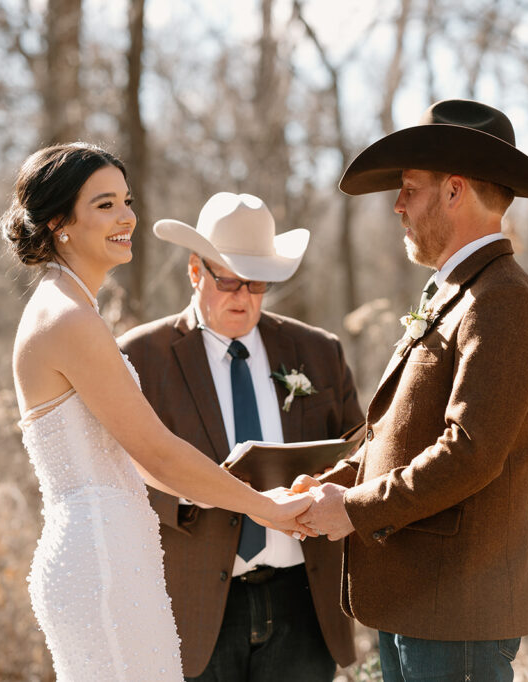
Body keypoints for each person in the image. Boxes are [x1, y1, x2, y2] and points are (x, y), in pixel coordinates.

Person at [0, 143, 312, 682]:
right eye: (104, 205)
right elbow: (158, 453)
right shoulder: (69, 318)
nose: (126, 217)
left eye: (126, 200)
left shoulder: (71, 307)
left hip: (114, 550)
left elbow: (137, 458)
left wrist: (234, 491)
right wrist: (263, 507)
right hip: (101, 558)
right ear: (58, 223)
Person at [291, 100, 528, 681]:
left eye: (409, 188)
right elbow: (400, 430)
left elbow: (469, 453)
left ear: (454, 191)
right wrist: (333, 484)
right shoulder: (455, 291)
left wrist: (351, 509)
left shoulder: (503, 300)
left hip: (459, 612)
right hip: (417, 599)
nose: (398, 205)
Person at [118, 192, 362, 681]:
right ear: (195, 270)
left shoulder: (317, 350)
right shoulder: (140, 357)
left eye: (257, 282)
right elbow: (118, 471)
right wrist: (192, 499)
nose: (243, 296)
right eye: (227, 279)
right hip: (194, 601)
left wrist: (321, 488)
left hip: (303, 597)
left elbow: (359, 444)